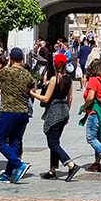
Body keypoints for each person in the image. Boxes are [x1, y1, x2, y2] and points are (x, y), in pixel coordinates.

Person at [31, 50, 81, 182]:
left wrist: (32, 94)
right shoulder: (68, 79)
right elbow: (70, 98)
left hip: (54, 111)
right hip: (64, 110)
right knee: (55, 141)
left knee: (52, 143)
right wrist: (67, 113)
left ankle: (71, 164)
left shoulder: (54, 79)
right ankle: (52, 170)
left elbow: (46, 99)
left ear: (54, 64)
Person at [0, 48, 34, 184]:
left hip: (9, 111)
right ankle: (10, 173)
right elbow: (31, 87)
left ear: (10, 59)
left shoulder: (7, 71)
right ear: (22, 59)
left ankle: (18, 164)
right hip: (23, 112)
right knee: (15, 141)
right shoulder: (27, 74)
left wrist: (8, 66)